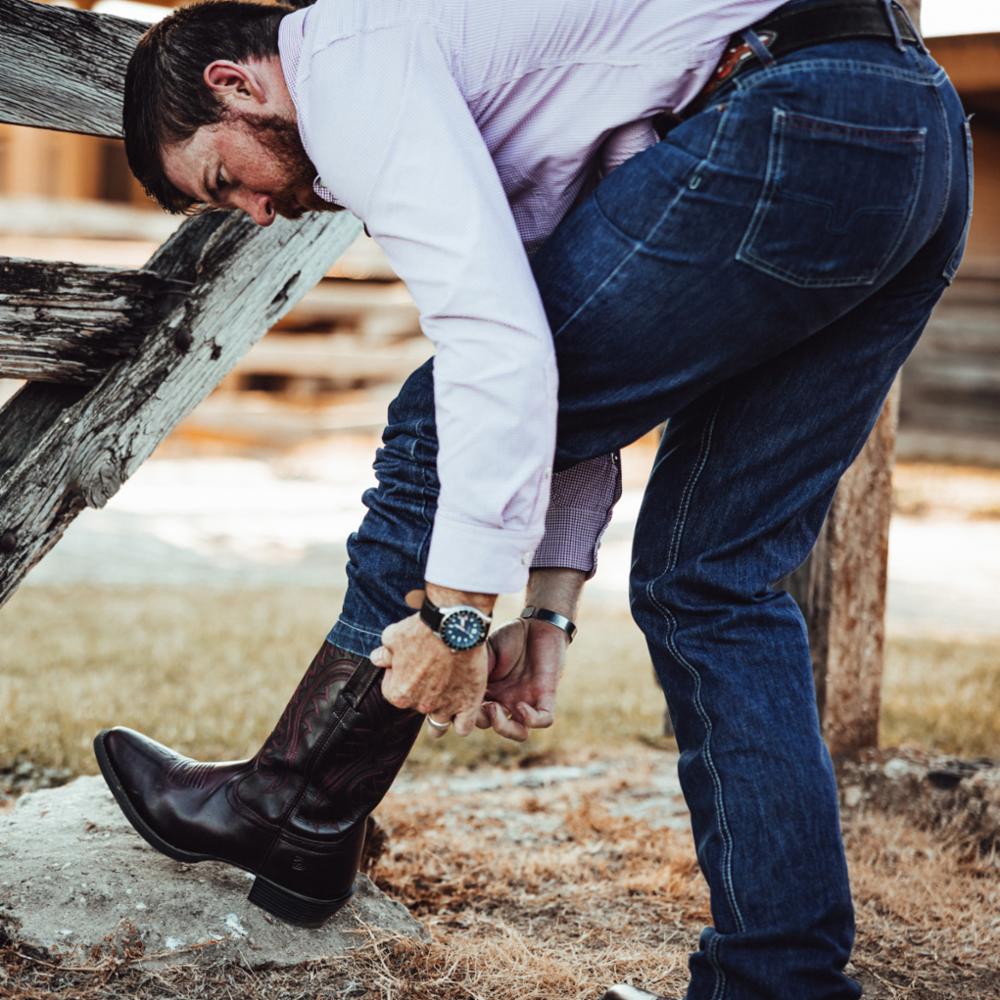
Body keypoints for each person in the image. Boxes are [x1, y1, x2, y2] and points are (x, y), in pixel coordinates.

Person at [93, 0, 972, 997]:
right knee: (711, 579)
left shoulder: (342, 62)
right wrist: (549, 601)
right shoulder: (452, 90)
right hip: (915, 142)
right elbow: (552, 369)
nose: (255, 212)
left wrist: (458, 611)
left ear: (235, 85)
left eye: (225, 181)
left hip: (793, 112)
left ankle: (296, 802)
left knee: (435, 423)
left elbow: (495, 343)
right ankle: (779, 984)